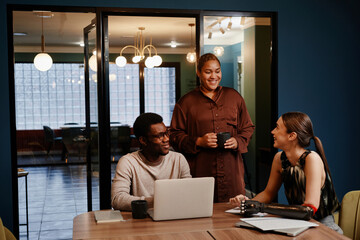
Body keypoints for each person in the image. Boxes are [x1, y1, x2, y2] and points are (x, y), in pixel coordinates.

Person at [229, 112, 342, 233]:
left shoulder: (311, 159)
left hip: (323, 227)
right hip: (298, 222)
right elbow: (268, 193)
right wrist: (247, 203)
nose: (272, 131)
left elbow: (310, 207)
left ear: (291, 136)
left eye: (277, 127)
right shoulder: (279, 158)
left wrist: (260, 207)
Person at [170, 53, 255, 202]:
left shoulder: (234, 97)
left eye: (217, 71)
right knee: (200, 215)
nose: (213, 76)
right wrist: (198, 141)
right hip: (201, 173)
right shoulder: (186, 102)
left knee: (234, 216)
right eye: (208, 72)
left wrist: (237, 141)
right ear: (198, 73)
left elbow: (247, 127)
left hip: (232, 174)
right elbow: (174, 135)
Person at [111, 112, 191, 211]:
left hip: (173, 216)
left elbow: (189, 193)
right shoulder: (128, 162)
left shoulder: (178, 159)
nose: (166, 139)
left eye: (166, 133)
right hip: (142, 221)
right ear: (143, 140)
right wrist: (157, 201)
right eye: (159, 136)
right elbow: (117, 199)